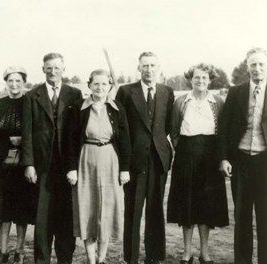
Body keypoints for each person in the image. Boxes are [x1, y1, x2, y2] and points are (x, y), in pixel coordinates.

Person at [21, 52, 83, 264]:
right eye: (49, 68)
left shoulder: (74, 94)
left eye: (57, 68)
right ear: (43, 69)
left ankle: (65, 259)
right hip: (42, 166)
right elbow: (27, 133)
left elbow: (78, 133)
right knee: (43, 217)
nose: (53, 72)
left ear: (63, 69)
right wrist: (28, 164)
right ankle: (42, 259)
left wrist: (74, 165)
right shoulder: (32, 96)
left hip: (67, 165)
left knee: (66, 216)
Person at [64, 69, 131, 264]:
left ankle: (102, 259)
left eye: (104, 84)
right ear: (89, 85)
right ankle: (91, 259)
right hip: (86, 160)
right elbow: (69, 140)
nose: (100, 88)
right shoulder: (79, 108)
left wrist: (124, 168)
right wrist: (71, 168)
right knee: (88, 208)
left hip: (111, 161)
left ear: (109, 86)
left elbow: (125, 140)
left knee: (108, 209)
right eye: (96, 84)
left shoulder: (117, 107)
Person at [116, 52, 175, 264]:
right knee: (133, 211)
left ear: (158, 67)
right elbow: (120, 128)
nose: (149, 69)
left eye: (152, 65)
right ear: (138, 68)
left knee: (155, 210)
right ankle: (131, 258)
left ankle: (154, 257)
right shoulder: (125, 92)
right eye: (145, 66)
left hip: (159, 159)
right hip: (134, 161)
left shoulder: (167, 91)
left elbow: (166, 125)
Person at [167, 63, 229, 264]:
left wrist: (218, 156)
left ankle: (204, 252)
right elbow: (174, 131)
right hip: (186, 155)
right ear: (190, 79)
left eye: (204, 78)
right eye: (196, 78)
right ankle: (187, 252)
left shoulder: (217, 101)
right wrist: (185, 151)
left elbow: (222, 131)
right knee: (187, 205)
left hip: (210, 157)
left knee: (206, 206)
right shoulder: (181, 102)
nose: (200, 81)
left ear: (209, 80)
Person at [0, 66, 36, 264]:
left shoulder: (30, 102)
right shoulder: (0, 104)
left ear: (24, 82)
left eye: (18, 81)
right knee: (3, 210)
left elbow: (35, 132)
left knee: (21, 211)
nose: (14, 85)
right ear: (6, 82)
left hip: (22, 164)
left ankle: (19, 251)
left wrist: (22, 141)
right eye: (10, 81)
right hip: (1, 165)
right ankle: (3, 252)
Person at [219, 47, 267, 264]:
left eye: (261, 64)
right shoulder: (236, 92)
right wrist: (224, 158)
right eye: (253, 64)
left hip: (264, 162)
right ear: (247, 68)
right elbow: (225, 126)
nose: (257, 68)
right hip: (241, 162)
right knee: (242, 217)